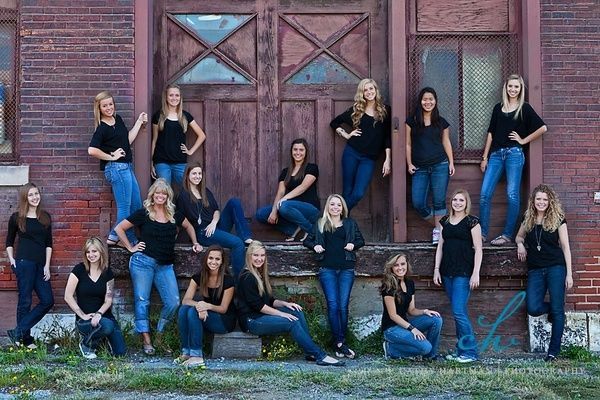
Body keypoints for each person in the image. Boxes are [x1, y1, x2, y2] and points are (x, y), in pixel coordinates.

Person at [114, 178, 202, 355]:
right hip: (142, 263)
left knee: (173, 301)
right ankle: (146, 340)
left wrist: (195, 242)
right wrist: (131, 247)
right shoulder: (144, 213)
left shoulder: (173, 214)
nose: (160, 196)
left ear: (167, 196)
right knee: (142, 301)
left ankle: (160, 336)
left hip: (165, 265)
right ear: (152, 195)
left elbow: (189, 226)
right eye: (157, 193)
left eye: (164, 193)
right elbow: (119, 228)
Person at [236, 241, 344, 366]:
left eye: (262, 255)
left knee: (295, 311)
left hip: (260, 315)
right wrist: (281, 314)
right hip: (251, 321)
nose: (259, 259)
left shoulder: (259, 274)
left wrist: (285, 304)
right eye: (256, 255)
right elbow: (258, 306)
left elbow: (269, 301)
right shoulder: (247, 277)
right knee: (291, 322)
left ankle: (311, 353)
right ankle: (320, 355)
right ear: (249, 256)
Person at [479, 74, 547, 245]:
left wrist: (523, 140)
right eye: (510, 86)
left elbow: (542, 128)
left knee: (512, 195)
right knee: (484, 194)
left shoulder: (524, 108)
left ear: (520, 89)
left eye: (516, 87)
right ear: (506, 88)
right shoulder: (498, 108)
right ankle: (482, 234)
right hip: (495, 155)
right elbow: (490, 133)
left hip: (514, 155)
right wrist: (485, 157)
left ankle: (507, 234)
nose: (513, 89)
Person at [516, 184, 573, 362]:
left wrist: (569, 273)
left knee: (557, 310)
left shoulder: (558, 219)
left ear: (550, 201)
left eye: (545, 199)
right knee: (533, 307)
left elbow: (565, 247)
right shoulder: (528, 218)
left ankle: (552, 352)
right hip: (535, 269)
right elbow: (519, 236)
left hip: (556, 267)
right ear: (533, 201)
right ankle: (556, 311)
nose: (541, 202)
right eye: (538, 199)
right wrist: (519, 244)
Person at [303, 194, 364, 359]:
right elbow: (307, 241)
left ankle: (339, 342)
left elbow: (361, 241)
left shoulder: (350, 223)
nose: (335, 207)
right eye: (332, 204)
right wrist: (315, 245)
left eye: (338, 205)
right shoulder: (321, 223)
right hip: (327, 269)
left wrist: (353, 244)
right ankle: (340, 343)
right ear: (328, 207)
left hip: (346, 269)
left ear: (343, 207)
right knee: (333, 305)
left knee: (343, 306)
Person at [88, 91, 147, 246]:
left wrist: (139, 123)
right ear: (99, 108)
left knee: (136, 205)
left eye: (110, 104)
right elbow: (92, 150)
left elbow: (126, 141)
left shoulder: (117, 119)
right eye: (105, 105)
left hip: (126, 167)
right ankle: (115, 236)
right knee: (125, 207)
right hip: (116, 168)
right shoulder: (102, 128)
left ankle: (126, 237)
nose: (109, 108)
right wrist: (111, 156)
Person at [177, 163, 252, 277]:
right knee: (237, 244)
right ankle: (239, 282)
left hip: (214, 227)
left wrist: (214, 222)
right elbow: (181, 220)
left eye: (199, 173)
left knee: (234, 202)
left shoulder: (205, 191)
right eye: (194, 173)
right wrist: (194, 241)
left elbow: (216, 210)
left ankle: (245, 236)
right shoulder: (183, 195)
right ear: (187, 175)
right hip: (203, 233)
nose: (197, 176)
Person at [433, 189, 482, 363]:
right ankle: (462, 351)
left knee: (458, 311)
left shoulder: (472, 222)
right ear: (451, 202)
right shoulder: (444, 221)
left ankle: (470, 352)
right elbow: (440, 246)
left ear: (466, 203)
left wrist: (476, 272)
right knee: (458, 312)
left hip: (464, 272)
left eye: (461, 200)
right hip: (447, 272)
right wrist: (436, 269)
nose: (458, 203)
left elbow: (478, 249)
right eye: (455, 199)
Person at [330, 78, 391, 211]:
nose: (369, 92)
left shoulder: (385, 110)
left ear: (376, 90)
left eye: (371, 88)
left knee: (357, 193)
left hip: (369, 159)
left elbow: (387, 136)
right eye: (365, 90)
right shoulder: (356, 110)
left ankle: (337, 216)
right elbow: (334, 122)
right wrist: (346, 134)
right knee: (347, 191)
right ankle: (342, 225)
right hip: (351, 153)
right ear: (362, 93)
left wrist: (388, 159)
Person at [5, 183, 54, 348]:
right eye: (31, 195)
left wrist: (47, 265)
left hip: (41, 265)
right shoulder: (17, 217)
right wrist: (12, 260)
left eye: (36, 194)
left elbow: (49, 244)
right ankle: (25, 340)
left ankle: (17, 332)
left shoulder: (45, 217)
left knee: (47, 300)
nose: (35, 197)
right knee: (25, 301)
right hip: (24, 263)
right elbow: (9, 241)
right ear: (25, 198)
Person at [406, 87, 455, 244]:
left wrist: (451, 162)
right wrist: (409, 163)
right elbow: (408, 144)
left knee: (439, 201)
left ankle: (439, 232)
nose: (428, 102)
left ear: (435, 101)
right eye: (425, 99)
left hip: (440, 165)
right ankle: (442, 225)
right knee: (418, 202)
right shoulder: (412, 121)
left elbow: (446, 142)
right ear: (420, 101)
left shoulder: (441, 122)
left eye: (431, 99)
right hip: (419, 167)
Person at [64, 237, 126, 359]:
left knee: (120, 353)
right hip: (85, 319)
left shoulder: (107, 273)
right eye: (88, 252)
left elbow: (108, 300)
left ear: (101, 252)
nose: (91, 255)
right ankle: (86, 344)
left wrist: (99, 314)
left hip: (104, 317)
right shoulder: (79, 270)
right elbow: (68, 296)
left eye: (94, 251)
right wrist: (82, 315)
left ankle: (101, 341)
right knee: (107, 326)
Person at [176, 245, 236, 367]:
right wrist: (200, 305)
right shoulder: (199, 276)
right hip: (207, 314)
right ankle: (186, 352)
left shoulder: (228, 280)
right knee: (183, 310)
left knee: (192, 312)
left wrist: (206, 306)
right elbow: (186, 300)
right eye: (211, 258)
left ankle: (197, 356)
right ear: (206, 259)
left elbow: (223, 309)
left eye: (217, 259)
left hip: (224, 321)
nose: (213, 262)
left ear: (222, 261)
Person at [380, 253, 443, 360]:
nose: (400, 268)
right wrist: (412, 329)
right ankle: (390, 349)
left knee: (436, 319)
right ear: (391, 268)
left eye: (402, 264)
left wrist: (424, 311)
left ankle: (429, 356)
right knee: (425, 347)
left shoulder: (409, 283)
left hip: (404, 324)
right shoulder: (388, 286)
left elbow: (411, 310)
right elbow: (393, 316)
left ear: (407, 265)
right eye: (396, 265)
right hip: (391, 329)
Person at [255, 138, 320, 241]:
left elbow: (303, 187)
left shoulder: (312, 168)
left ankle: (311, 231)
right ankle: (294, 230)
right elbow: (280, 192)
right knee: (261, 214)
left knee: (284, 206)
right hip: (290, 209)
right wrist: (274, 211)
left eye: (301, 150)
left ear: (306, 152)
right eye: (295, 149)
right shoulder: (285, 172)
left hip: (310, 209)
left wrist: (283, 200)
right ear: (291, 151)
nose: (298, 152)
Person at [151, 84, 206, 186]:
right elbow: (154, 140)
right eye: (171, 95)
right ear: (166, 97)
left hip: (180, 162)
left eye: (177, 95)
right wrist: (151, 163)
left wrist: (190, 151)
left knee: (186, 190)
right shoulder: (158, 116)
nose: (174, 98)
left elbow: (202, 135)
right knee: (164, 190)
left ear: (180, 98)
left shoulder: (185, 116)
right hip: (162, 162)